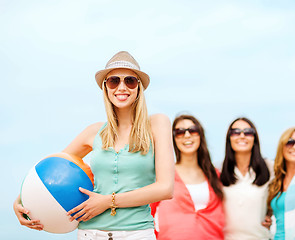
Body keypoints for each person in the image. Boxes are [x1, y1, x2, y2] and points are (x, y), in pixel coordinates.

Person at [13, 51, 175, 240]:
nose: (122, 87)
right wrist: (20, 201)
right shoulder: (93, 132)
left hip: (138, 233)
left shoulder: (157, 124)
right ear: (105, 87)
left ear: (139, 87)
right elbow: (51, 171)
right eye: (114, 81)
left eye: (129, 80)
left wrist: (108, 201)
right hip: (90, 233)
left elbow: (165, 188)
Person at [220, 117, 295, 240]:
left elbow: (290, 179)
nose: (242, 136)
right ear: (229, 138)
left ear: (255, 138)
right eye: (236, 132)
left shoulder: (269, 168)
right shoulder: (217, 171)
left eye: (248, 132)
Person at [151, 114, 225, 239]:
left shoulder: (215, 175)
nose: (187, 135)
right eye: (179, 132)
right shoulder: (164, 175)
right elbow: (149, 212)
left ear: (200, 135)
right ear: (173, 138)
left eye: (192, 130)